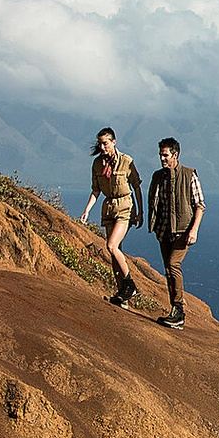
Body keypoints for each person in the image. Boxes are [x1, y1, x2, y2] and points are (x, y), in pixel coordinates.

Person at [79, 127, 144, 306]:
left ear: (114, 142)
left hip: (124, 207)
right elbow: (96, 190)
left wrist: (140, 212)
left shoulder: (126, 161)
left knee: (111, 245)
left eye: (105, 143)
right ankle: (122, 294)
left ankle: (130, 284)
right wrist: (87, 210)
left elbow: (136, 187)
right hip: (108, 208)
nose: (102, 147)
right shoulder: (97, 164)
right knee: (115, 252)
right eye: (100, 143)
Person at [147, 137, 205, 330]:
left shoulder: (189, 175)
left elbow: (200, 205)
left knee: (173, 265)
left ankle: (179, 309)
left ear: (175, 155)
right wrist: (154, 227)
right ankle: (175, 312)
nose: (162, 159)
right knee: (168, 271)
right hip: (164, 231)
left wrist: (194, 230)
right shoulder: (158, 176)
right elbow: (155, 204)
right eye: (160, 155)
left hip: (183, 231)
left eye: (165, 155)